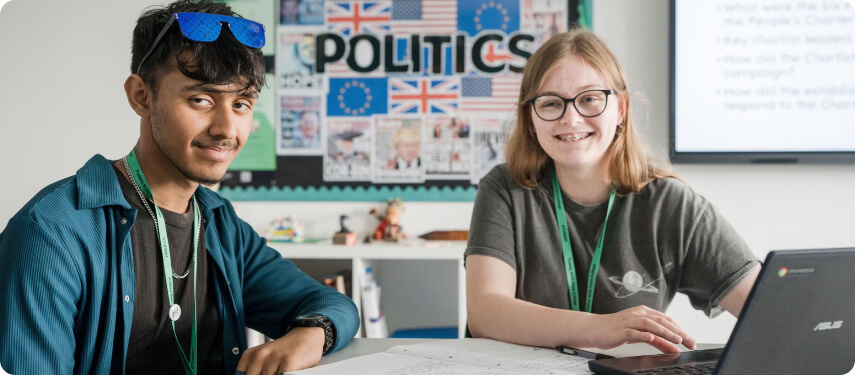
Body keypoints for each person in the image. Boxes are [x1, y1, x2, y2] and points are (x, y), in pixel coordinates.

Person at [0, 1, 359, 374]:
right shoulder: (51, 232)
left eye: (241, 103)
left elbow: (330, 304)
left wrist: (311, 333)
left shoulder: (219, 223)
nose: (226, 129)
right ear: (142, 96)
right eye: (200, 99)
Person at [465, 30, 760, 354]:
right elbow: (485, 312)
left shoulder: (670, 203)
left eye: (589, 99)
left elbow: (772, 308)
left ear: (620, 108)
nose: (571, 118)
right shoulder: (505, 189)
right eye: (551, 103)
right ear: (531, 118)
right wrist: (600, 328)